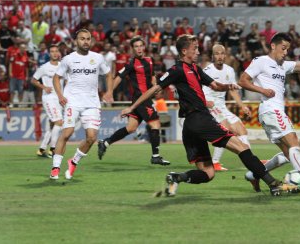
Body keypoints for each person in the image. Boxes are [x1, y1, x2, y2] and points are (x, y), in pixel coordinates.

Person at [121, 34, 282, 197]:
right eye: (195, 48)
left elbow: (216, 86)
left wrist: (231, 86)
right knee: (242, 147)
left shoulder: (195, 69)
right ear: (184, 51)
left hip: (190, 126)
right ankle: (273, 183)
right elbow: (154, 89)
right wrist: (132, 107)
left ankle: (177, 177)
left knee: (208, 173)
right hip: (200, 119)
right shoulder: (177, 70)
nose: (198, 51)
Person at [239, 33, 300, 194]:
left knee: (290, 153)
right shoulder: (261, 62)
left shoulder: (283, 65)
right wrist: (263, 90)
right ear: (273, 46)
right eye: (283, 48)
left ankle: (254, 174)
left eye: (287, 49)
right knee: (294, 143)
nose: (286, 52)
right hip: (271, 110)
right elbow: (243, 80)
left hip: (271, 113)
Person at [49, 29, 114, 180]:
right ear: (76, 41)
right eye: (82, 39)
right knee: (67, 133)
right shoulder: (68, 59)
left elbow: (108, 74)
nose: (85, 41)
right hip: (73, 101)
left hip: (92, 103)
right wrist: (60, 95)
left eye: (88, 39)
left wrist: (109, 91)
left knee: (91, 138)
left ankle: (74, 161)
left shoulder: (98, 58)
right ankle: (55, 167)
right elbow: (56, 78)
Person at [97, 36, 170, 165]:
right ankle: (155, 156)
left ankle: (106, 142)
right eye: (136, 46)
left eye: (141, 46)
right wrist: (109, 92)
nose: (139, 48)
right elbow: (119, 77)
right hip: (141, 99)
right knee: (155, 124)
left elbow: (152, 76)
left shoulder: (149, 61)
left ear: (144, 47)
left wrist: (155, 87)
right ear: (132, 49)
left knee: (131, 128)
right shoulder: (131, 64)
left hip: (146, 98)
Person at [202, 44, 252, 171]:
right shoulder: (208, 71)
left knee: (241, 129)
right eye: (217, 54)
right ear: (213, 56)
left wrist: (242, 106)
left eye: (222, 53)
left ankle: (252, 160)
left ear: (225, 55)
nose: (220, 56)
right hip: (211, 105)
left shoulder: (229, 70)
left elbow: (233, 91)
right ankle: (214, 162)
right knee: (226, 129)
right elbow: (200, 90)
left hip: (222, 106)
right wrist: (206, 102)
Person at [31, 45, 63, 158]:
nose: (54, 53)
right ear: (49, 54)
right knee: (59, 122)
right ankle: (53, 149)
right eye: (52, 51)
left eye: (56, 51)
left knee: (52, 125)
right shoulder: (44, 67)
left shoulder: (62, 67)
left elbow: (67, 81)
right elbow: (33, 80)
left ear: (59, 53)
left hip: (59, 99)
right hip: (49, 98)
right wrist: (44, 87)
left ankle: (41, 149)